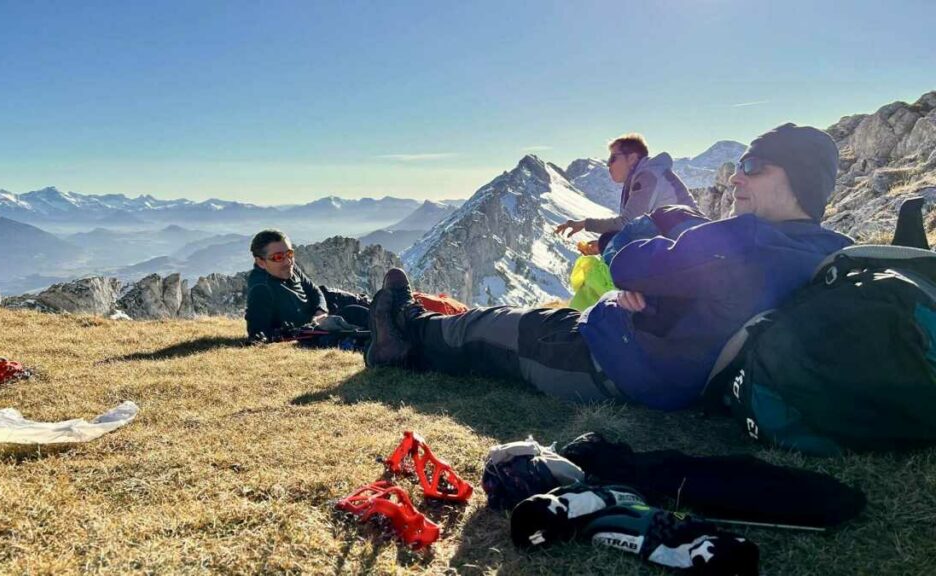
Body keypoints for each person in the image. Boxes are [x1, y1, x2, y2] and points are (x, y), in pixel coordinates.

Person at [364, 124, 853, 411]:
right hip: (679, 369)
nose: (736, 179)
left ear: (798, 180)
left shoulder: (745, 238)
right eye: (739, 164)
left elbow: (626, 259)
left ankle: (400, 337)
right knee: (498, 325)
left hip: (614, 362)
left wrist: (638, 236)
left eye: (753, 167)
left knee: (488, 329)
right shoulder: (830, 249)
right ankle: (411, 324)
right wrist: (663, 284)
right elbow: (713, 288)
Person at [555, 134, 698, 247]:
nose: (608, 164)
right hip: (684, 242)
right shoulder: (642, 176)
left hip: (690, 247)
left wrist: (584, 224)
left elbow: (627, 224)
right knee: (609, 242)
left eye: (613, 158)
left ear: (632, 158)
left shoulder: (647, 176)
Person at [245, 229, 370, 341]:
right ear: (261, 262)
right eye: (278, 257)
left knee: (375, 309)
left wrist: (320, 311)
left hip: (329, 302)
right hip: (324, 321)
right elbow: (257, 333)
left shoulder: (290, 268)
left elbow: (314, 290)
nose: (288, 261)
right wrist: (310, 326)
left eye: (289, 254)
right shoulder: (261, 289)